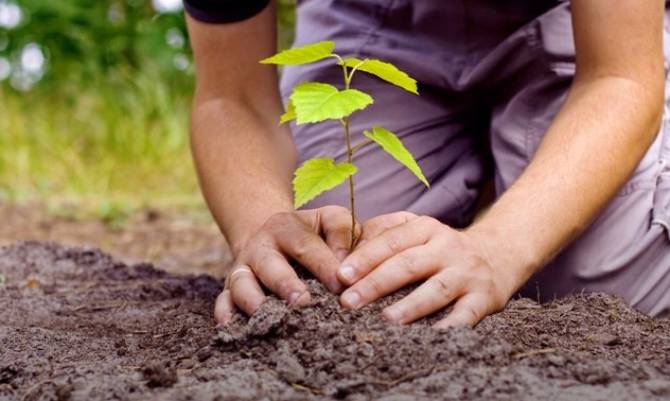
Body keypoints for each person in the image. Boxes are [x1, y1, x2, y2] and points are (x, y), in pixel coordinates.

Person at [185, 0, 670, 328]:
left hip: (574, 19)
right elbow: (233, 96)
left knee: (603, 281)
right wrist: (259, 229)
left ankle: (507, 178)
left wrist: (500, 246)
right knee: (335, 264)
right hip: (371, 18)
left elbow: (619, 76)